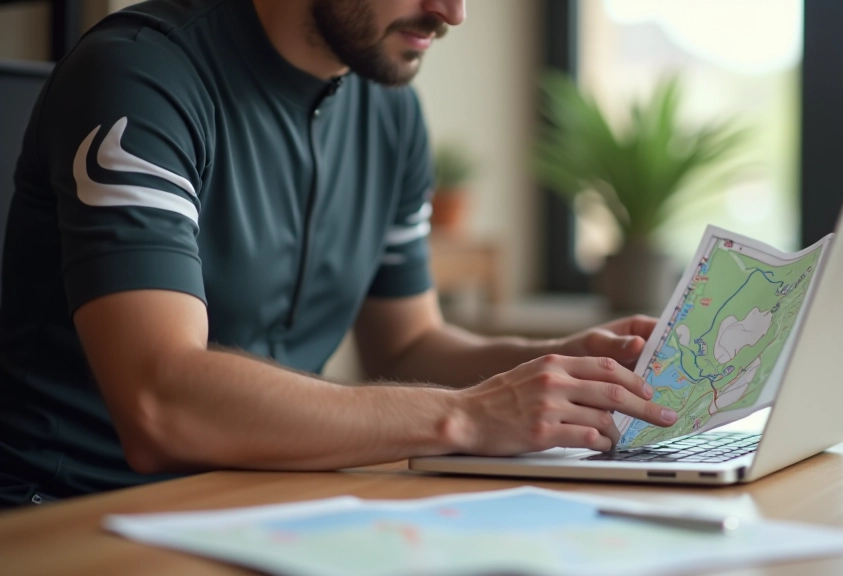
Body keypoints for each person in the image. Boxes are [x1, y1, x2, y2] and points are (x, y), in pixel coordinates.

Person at [0, 0, 676, 509]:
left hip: (257, 506)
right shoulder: (142, 75)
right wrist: (469, 415)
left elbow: (406, 347)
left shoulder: (392, 113)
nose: (453, 12)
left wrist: (569, 363)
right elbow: (160, 401)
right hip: (70, 512)